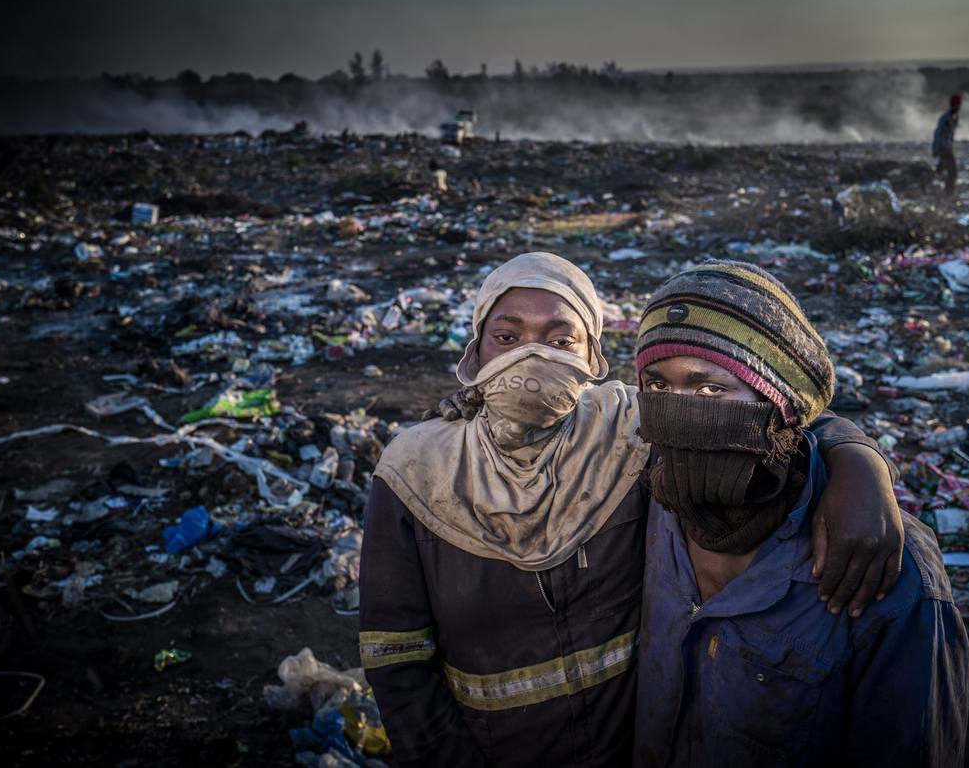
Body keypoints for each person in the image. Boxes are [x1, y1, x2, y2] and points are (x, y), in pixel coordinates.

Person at [359, 252, 906, 767]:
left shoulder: (631, 431)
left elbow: (771, 414)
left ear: (593, 358)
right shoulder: (416, 467)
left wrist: (859, 463)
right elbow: (397, 659)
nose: (531, 354)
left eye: (560, 339)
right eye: (507, 336)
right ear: (475, 351)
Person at [631, 261, 969, 767]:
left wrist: (859, 461)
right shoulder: (647, 496)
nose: (680, 414)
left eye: (710, 391)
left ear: (780, 406)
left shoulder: (887, 572)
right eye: (658, 388)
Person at [933, 93, 962, 196]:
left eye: (958, 104)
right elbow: (938, 134)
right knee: (953, 172)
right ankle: (948, 194)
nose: (958, 107)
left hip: (946, 148)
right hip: (944, 149)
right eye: (956, 104)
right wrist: (936, 149)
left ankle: (934, 189)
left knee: (940, 171)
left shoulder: (953, 118)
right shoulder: (946, 119)